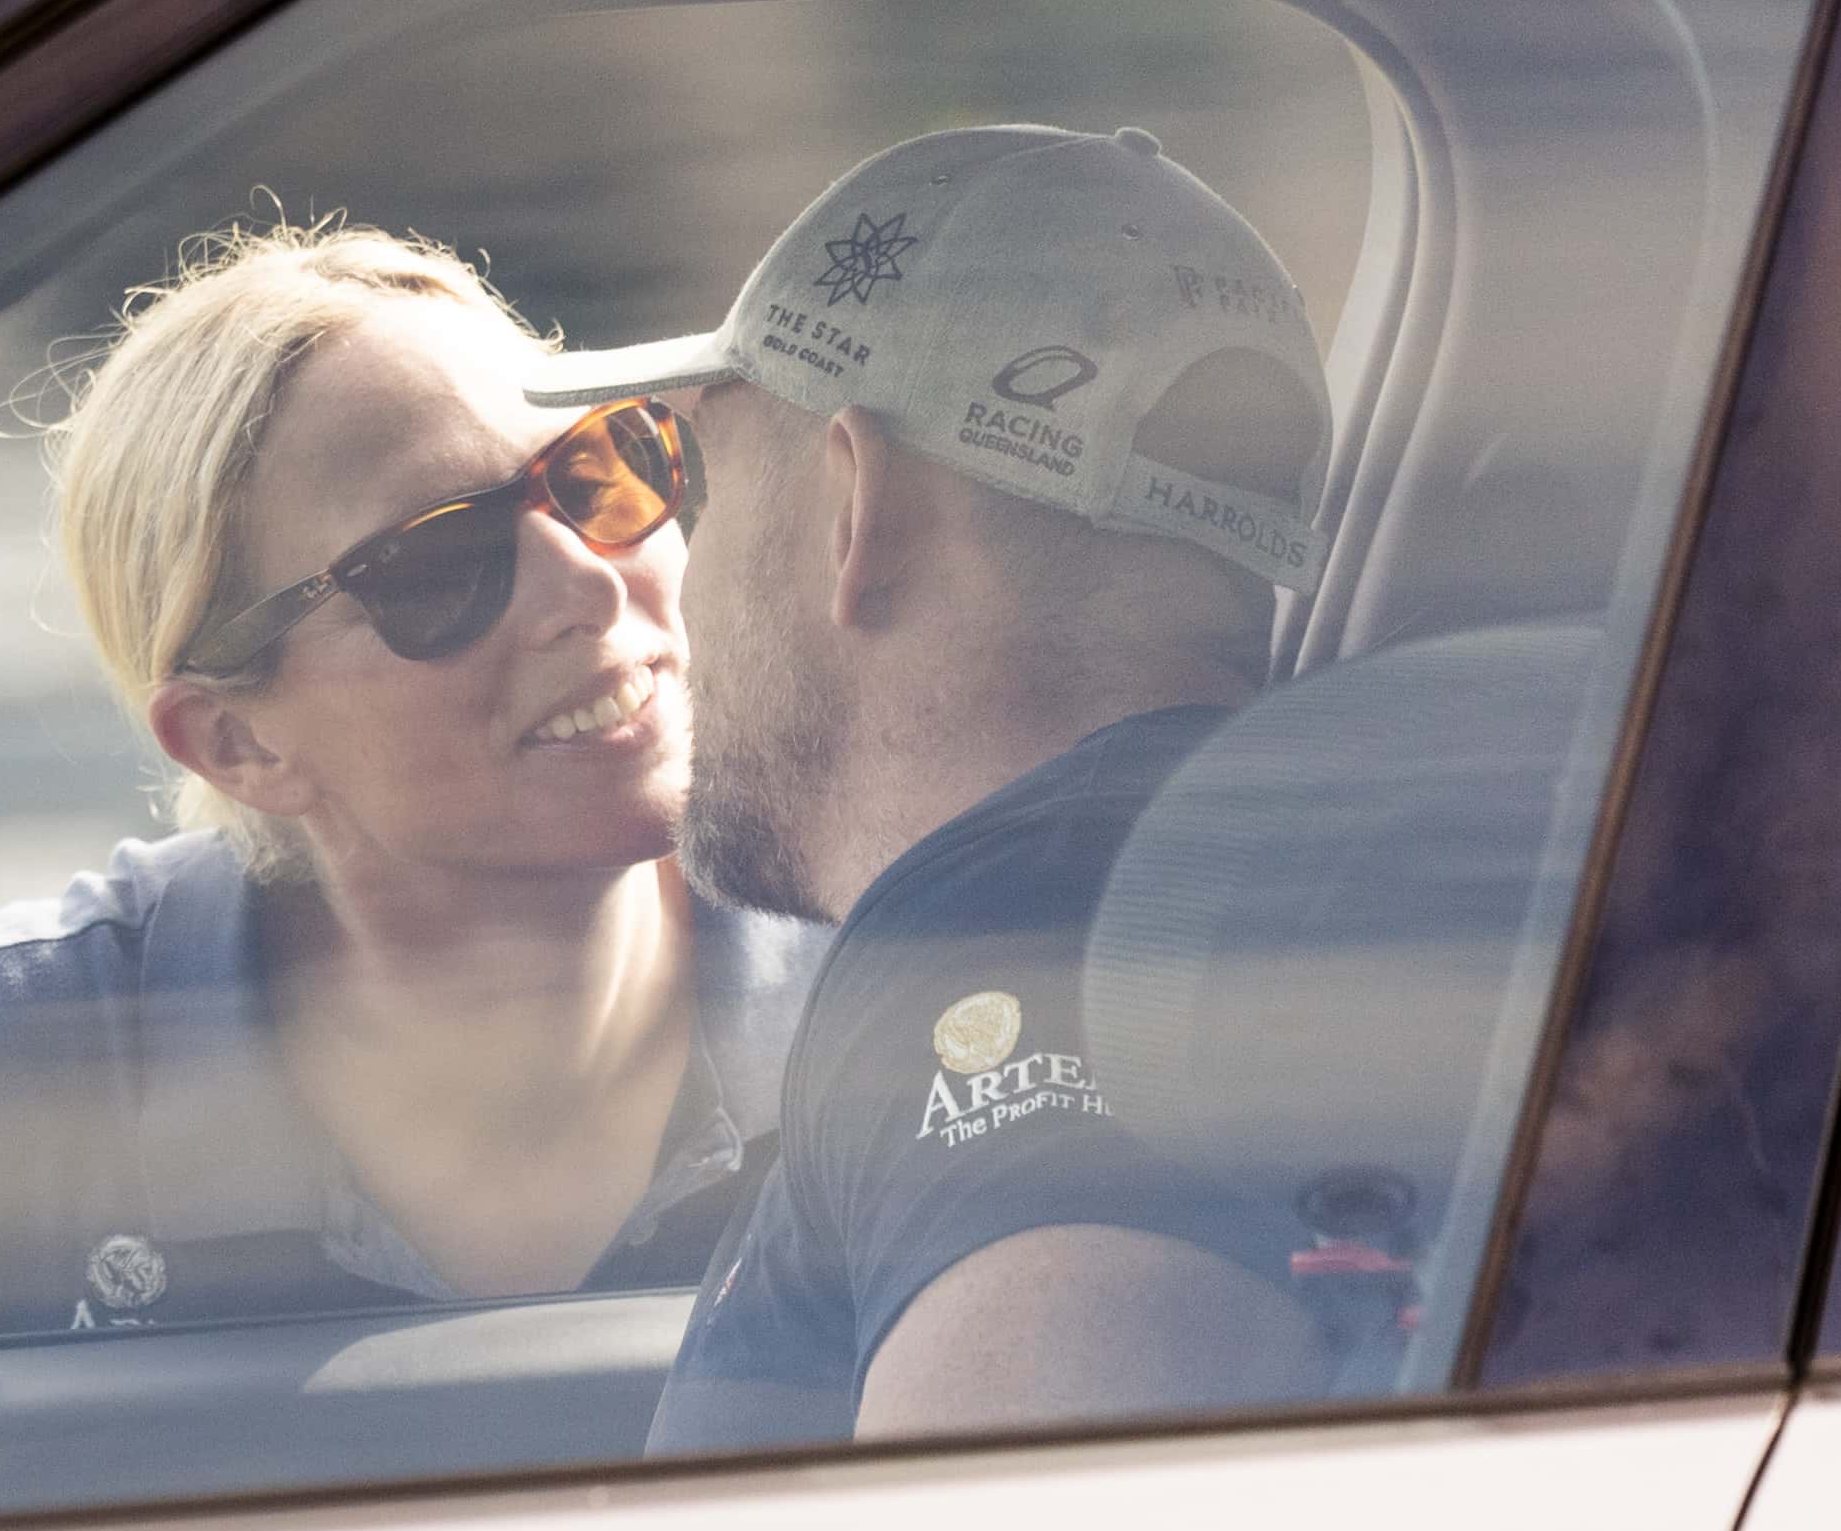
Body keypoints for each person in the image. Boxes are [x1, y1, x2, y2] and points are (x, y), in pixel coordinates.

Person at [0, 224, 817, 1526]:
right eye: (437, 566)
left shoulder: (908, 969)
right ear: (235, 743)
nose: (589, 583)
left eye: (601, 473)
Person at [519, 123, 1340, 1451]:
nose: (680, 574)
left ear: (861, 511)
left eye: (708, 482)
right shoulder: (1235, 878)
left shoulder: (1017, 938)